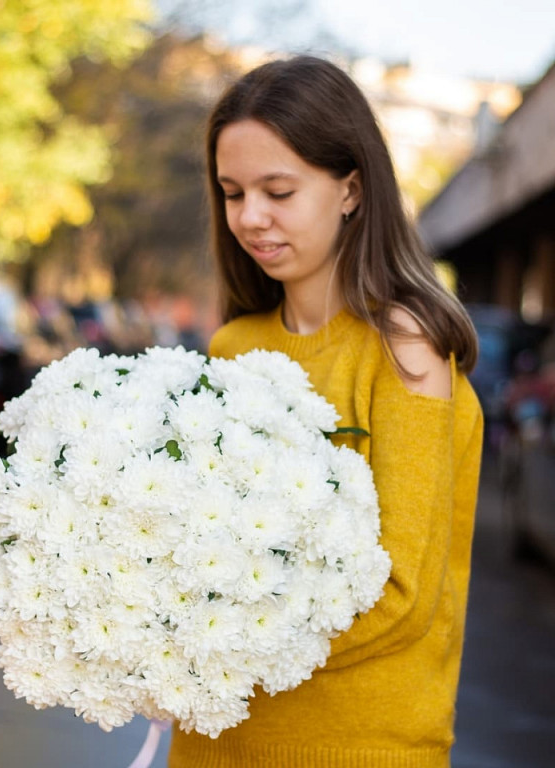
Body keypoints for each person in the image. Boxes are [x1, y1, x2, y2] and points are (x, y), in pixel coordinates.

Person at [167, 55, 484, 768]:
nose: (251, 216)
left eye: (278, 190)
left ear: (351, 189)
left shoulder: (406, 349)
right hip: (211, 745)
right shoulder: (232, 346)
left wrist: (209, 652)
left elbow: (402, 595)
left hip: (357, 749)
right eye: (232, 191)